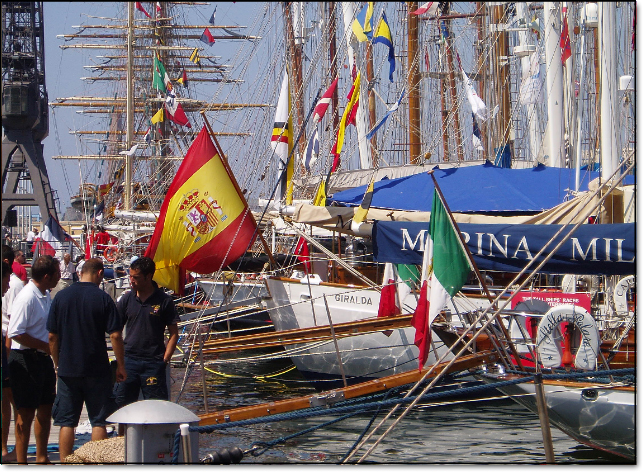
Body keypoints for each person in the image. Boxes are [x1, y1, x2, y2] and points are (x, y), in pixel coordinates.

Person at [47, 258, 127, 463]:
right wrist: (121, 365)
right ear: (100, 273)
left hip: (67, 368)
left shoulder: (61, 297)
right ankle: (96, 463)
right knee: (98, 421)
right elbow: (116, 335)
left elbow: (52, 337)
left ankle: (65, 462)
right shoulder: (103, 298)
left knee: (67, 422)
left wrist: (57, 363)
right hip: (96, 368)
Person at [7, 255, 60, 464]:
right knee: (26, 414)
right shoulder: (27, 297)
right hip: (25, 359)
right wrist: (45, 346)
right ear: (47, 276)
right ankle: (21, 462)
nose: (59, 277)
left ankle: (41, 456)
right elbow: (16, 332)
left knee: (46, 408)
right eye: (56, 274)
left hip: (43, 360)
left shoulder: (45, 294)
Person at [113, 257, 179, 410]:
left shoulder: (164, 301)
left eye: (135, 277)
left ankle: (154, 434)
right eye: (130, 276)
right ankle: (124, 434)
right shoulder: (127, 299)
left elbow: (174, 333)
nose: (131, 281)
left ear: (148, 276)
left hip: (153, 362)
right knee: (123, 407)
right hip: (129, 360)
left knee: (156, 408)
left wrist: (165, 359)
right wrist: (119, 361)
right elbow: (115, 330)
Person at [1, 245, 24, 463]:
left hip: (9, 346)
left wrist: (7, 354)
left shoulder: (14, 286)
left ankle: (16, 448)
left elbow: (12, 323)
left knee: (12, 400)